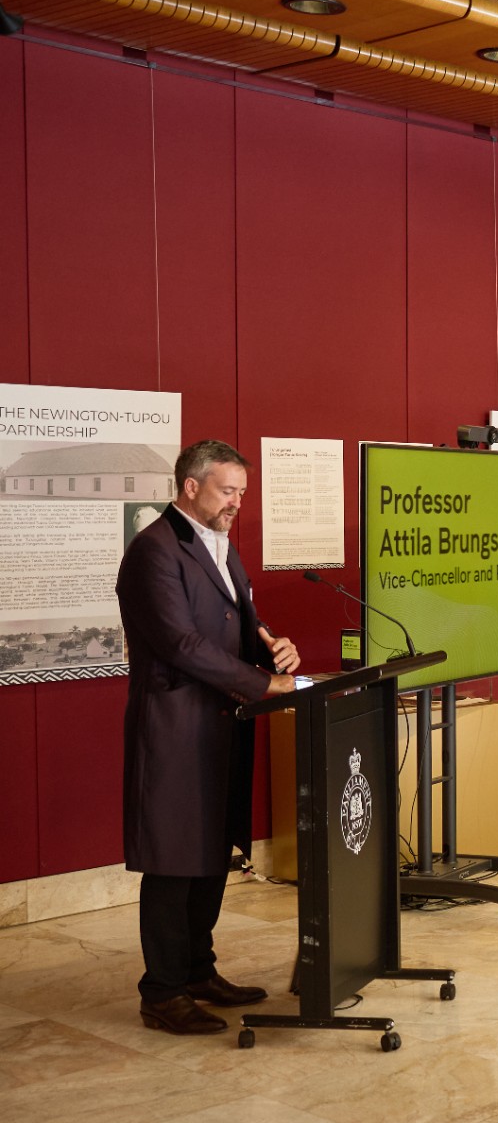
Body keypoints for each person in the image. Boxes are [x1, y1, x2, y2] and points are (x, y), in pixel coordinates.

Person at [117, 440, 300, 1036]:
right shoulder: (153, 551)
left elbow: (234, 620)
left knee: (212, 852)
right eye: (228, 491)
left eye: (243, 493)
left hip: (219, 726)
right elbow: (180, 644)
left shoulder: (221, 547)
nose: (237, 504)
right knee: (174, 862)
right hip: (174, 729)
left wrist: (271, 645)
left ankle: (198, 970)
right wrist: (264, 682)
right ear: (190, 486)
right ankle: (162, 992)